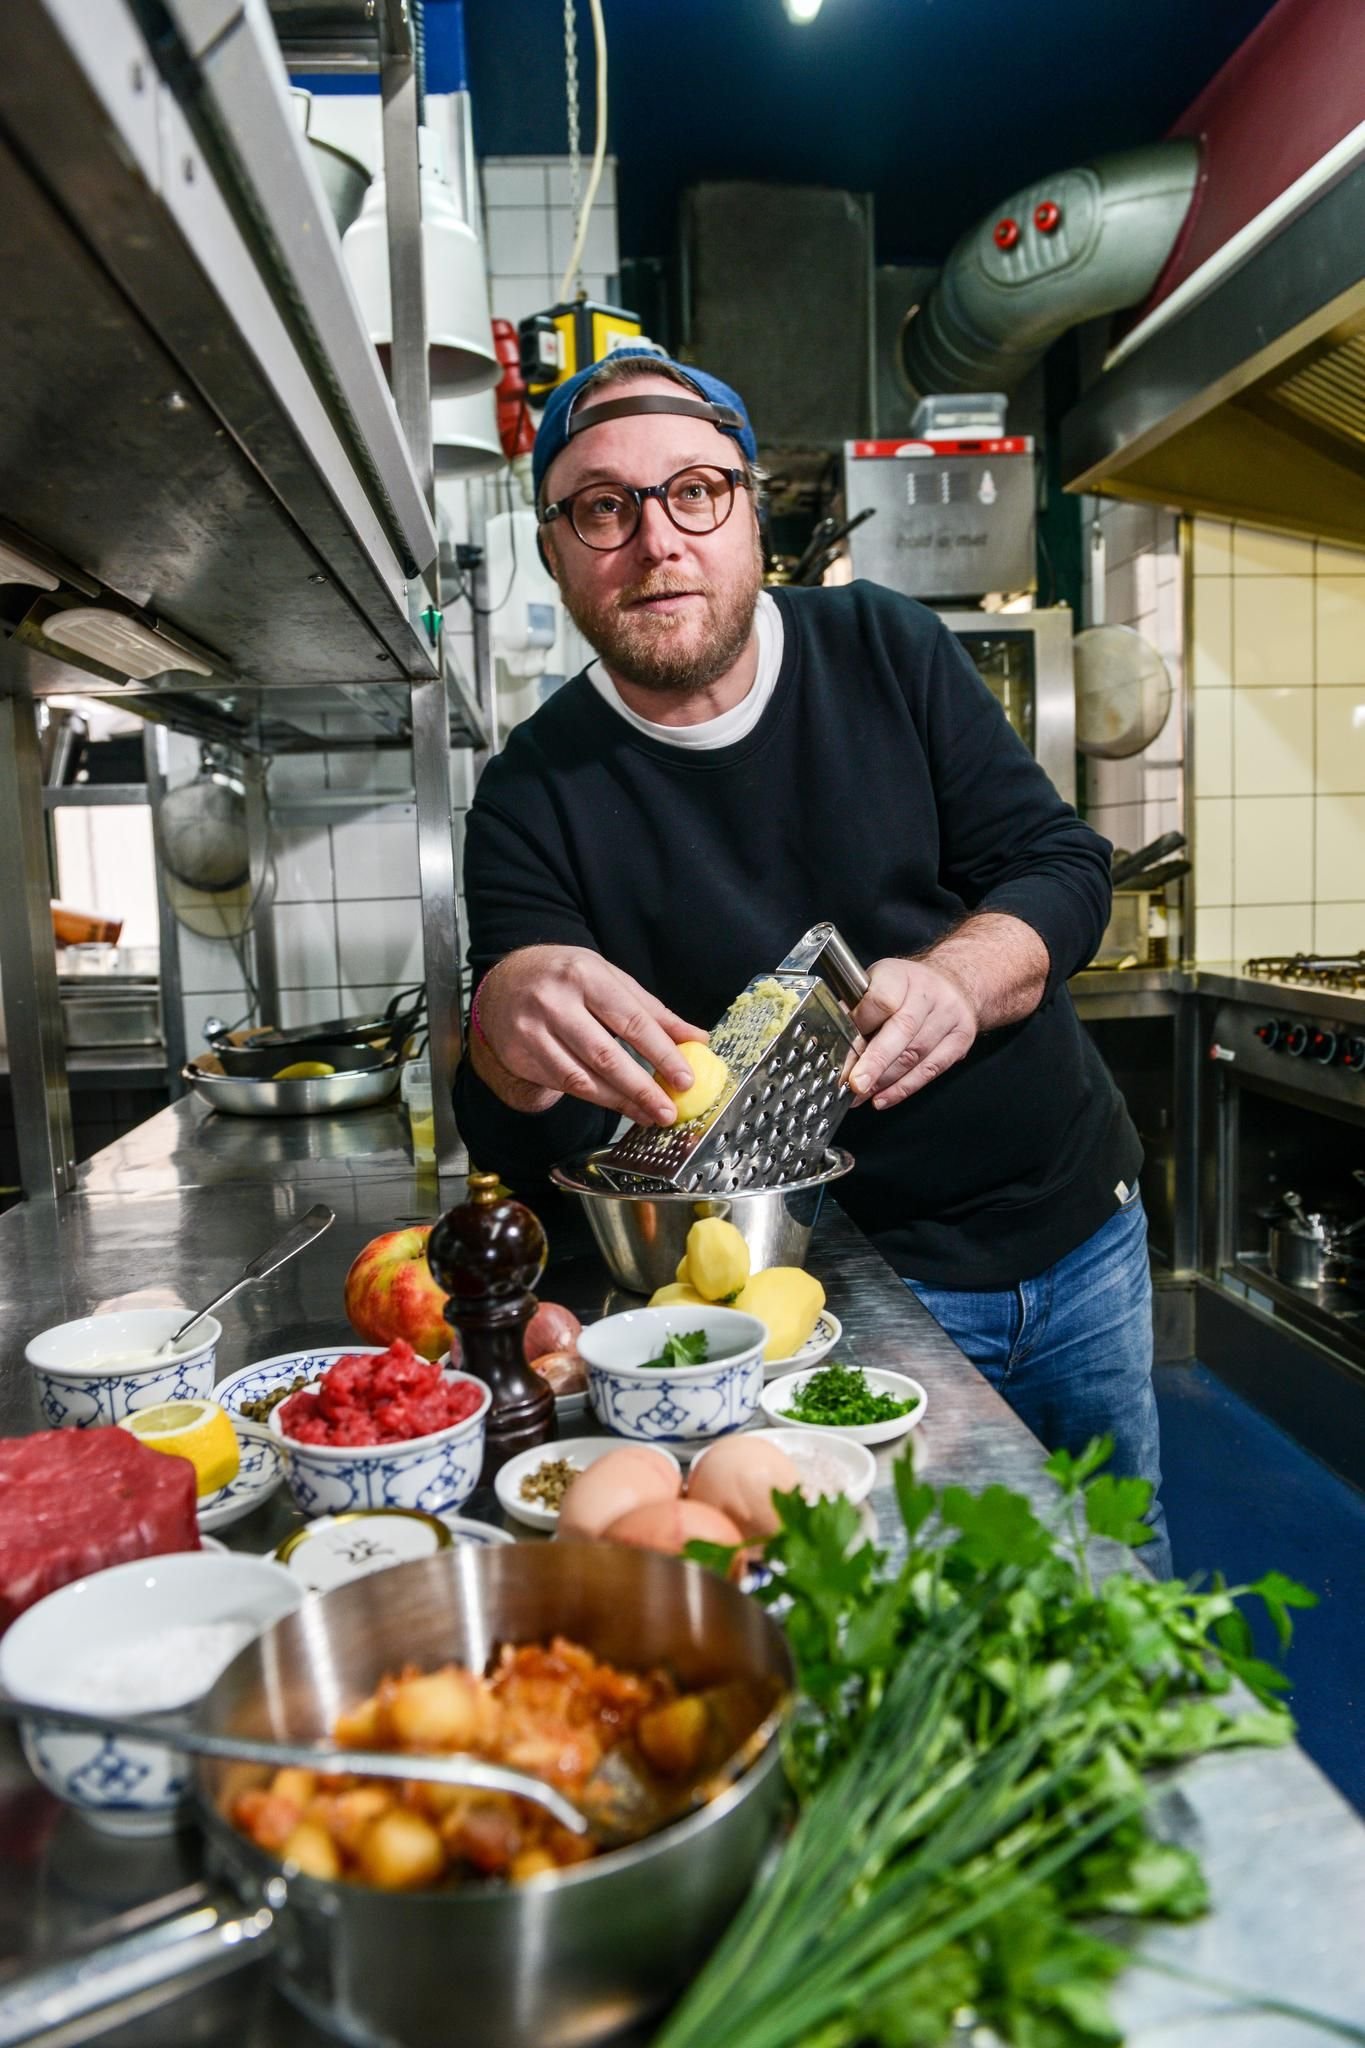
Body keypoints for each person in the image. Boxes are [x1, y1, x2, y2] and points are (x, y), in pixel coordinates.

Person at [453, 346, 1169, 1573]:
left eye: (695, 490)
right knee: (912, 1592)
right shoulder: (531, 796)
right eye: (604, 506)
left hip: (1074, 1230)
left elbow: (1058, 865)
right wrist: (503, 1035)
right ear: (556, 546)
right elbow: (524, 1138)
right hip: (829, 1294)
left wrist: (958, 972)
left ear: (748, 513)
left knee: (1121, 1567)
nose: (658, 540)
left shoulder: (885, 648)